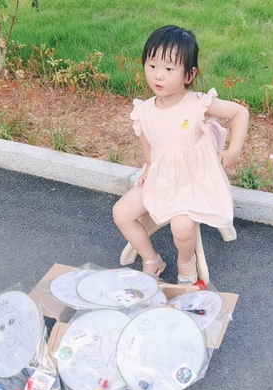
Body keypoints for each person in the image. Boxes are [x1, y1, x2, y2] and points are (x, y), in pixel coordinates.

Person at [113, 25, 249, 285]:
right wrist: (149, 168)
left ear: (188, 74)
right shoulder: (144, 110)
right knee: (121, 212)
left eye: (168, 69)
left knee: (182, 226)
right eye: (152, 65)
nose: (158, 76)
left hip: (193, 182)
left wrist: (233, 152)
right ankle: (151, 258)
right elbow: (149, 144)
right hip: (162, 178)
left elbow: (240, 113)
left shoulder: (197, 104)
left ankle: (186, 260)